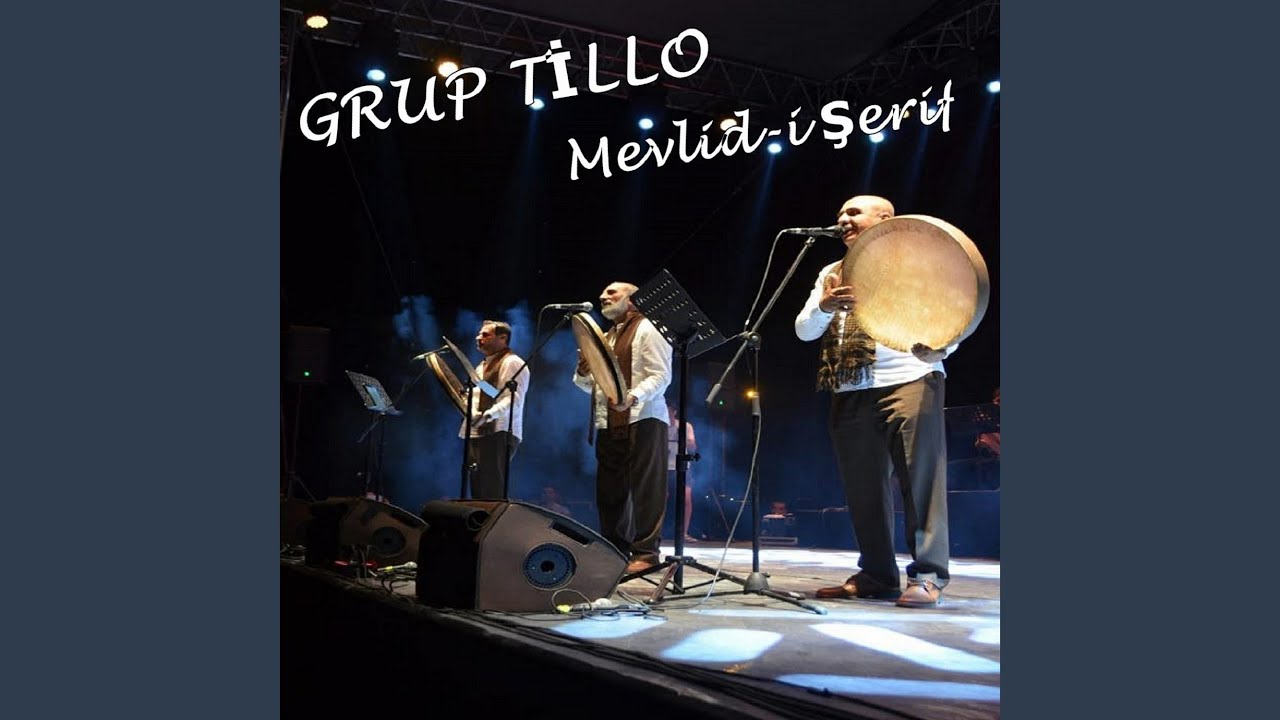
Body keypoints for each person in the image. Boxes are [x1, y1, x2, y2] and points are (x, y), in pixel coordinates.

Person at [794, 195, 956, 608]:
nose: (842, 219)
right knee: (862, 488)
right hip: (850, 387)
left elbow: (954, 308)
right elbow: (804, 331)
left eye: (853, 212)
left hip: (909, 377)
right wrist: (825, 306)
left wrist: (945, 347)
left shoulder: (915, 261)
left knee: (919, 482)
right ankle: (877, 575)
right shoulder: (831, 272)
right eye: (839, 213)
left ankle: (928, 575)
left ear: (885, 218)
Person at [573, 282, 674, 574]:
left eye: (612, 292)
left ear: (632, 299)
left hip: (644, 417)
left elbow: (660, 376)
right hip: (609, 421)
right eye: (603, 292)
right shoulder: (606, 337)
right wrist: (583, 371)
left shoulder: (649, 328)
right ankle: (615, 551)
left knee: (645, 489)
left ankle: (646, 553)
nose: (603, 296)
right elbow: (591, 387)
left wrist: (632, 397)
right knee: (610, 491)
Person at [459, 320, 529, 499]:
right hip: (477, 431)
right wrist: (466, 401)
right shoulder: (481, 367)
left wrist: (489, 415)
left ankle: (493, 517)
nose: (479, 338)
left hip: (499, 431)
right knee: (477, 488)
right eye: (479, 334)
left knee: (492, 488)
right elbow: (489, 394)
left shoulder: (512, 362)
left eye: (485, 335)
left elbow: (513, 398)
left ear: (503, 338)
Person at [666, 403, 698, 543]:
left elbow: (693, 448)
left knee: (686, 499)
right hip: (664, 466)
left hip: (682, 466)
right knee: (661, 499)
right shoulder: (661, 424)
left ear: (674, 412)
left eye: (669, 411)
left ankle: (683, 532)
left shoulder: (685, 426)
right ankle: (655, 531)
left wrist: (688, 441)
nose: (667, 414)